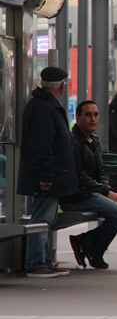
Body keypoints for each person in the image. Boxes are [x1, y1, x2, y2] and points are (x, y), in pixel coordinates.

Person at [61, 100, 117, 270]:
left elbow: (99, 174)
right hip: (76, 195)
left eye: (96, 115)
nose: (93, 119)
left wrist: (109, 192)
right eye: (88, 115)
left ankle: (86, 242)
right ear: (78, 117)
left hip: (92, 193)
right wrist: (107, 193)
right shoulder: (73, 142)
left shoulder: (94, 140)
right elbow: (80, 178)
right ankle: (94, 251)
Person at [16, 66, 78, 278]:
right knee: (42, 219)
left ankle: (43, 260)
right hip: (47, 177)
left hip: (50, 175)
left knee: (45, 219)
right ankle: (35, 263)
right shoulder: (44, 108)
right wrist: (46, 175)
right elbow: (41, 146)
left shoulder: (44, 105)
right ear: (62, 85)